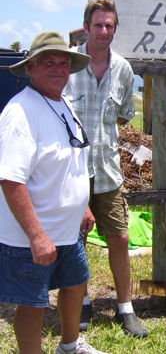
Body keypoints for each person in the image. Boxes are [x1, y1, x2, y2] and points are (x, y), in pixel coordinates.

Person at [0, 31, 106, 354]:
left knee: (75, 285)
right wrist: (36, 236)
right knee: (32, 303)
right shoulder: (20, 113)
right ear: (31, 68)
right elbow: (10, 180)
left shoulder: (63, 105)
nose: (58, 68)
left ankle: (70, 346)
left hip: (67, 231)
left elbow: (70, 160)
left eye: (63, 62)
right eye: (49, 62)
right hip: (31, 236)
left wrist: (83, 207)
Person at [63, 0, 148, 338]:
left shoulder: (124, 70)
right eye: (97, 24)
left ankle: (124, 308)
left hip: (109, 170)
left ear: (115, 28)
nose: (103, 31)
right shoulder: (68, 67)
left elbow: (124, 114)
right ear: (86, 27)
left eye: (109, 25)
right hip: (72, 172)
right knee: (75, 239)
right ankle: (81, 300)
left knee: (120, 237)